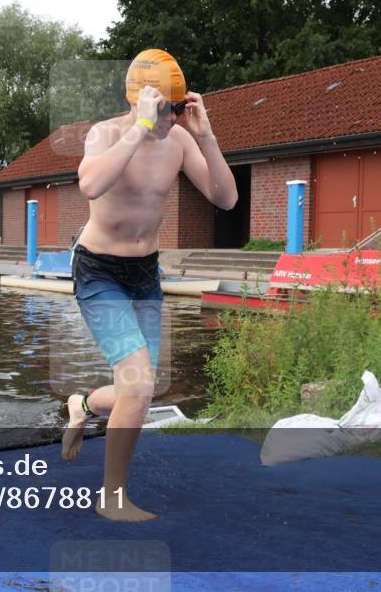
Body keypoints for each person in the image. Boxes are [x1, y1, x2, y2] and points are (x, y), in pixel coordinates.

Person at [61, 49, 237, 521]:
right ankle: (112, 499)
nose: (171, 118)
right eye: (163, 108)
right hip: (98, 269)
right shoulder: (106, 134)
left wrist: (207, 136)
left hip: (144, 273)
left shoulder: (179, 140)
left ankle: (82, 403)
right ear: (139, 101)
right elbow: (90, 185)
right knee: (138, 386)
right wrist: (140, 127)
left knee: (140, 389)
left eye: (176, 108)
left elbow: (225, 198)